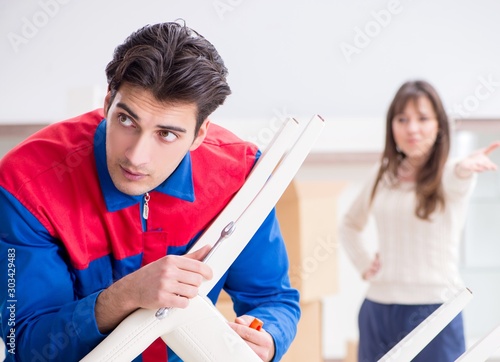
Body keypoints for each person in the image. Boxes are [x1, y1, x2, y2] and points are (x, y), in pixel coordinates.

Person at [0, 21, 300, 362]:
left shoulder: (240, 175)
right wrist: (122, 297)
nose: (136, 156)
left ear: (200, 134)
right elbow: (25, 345)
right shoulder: (26, 183)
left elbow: (273, 299)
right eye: (127, 121)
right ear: (109, 102)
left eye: (167, 134)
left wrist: (267, 335)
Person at [340, 80, 500, 362]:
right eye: (402, 119)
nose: (412, 129)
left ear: (439, 125)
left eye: (423, 118)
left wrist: (464, 168)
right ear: (392, 126)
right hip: (378, 308)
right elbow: (349, 224)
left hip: (436, 309)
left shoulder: (451, 172)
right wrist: (365, 264)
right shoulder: (383, 174)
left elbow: (459, 177)